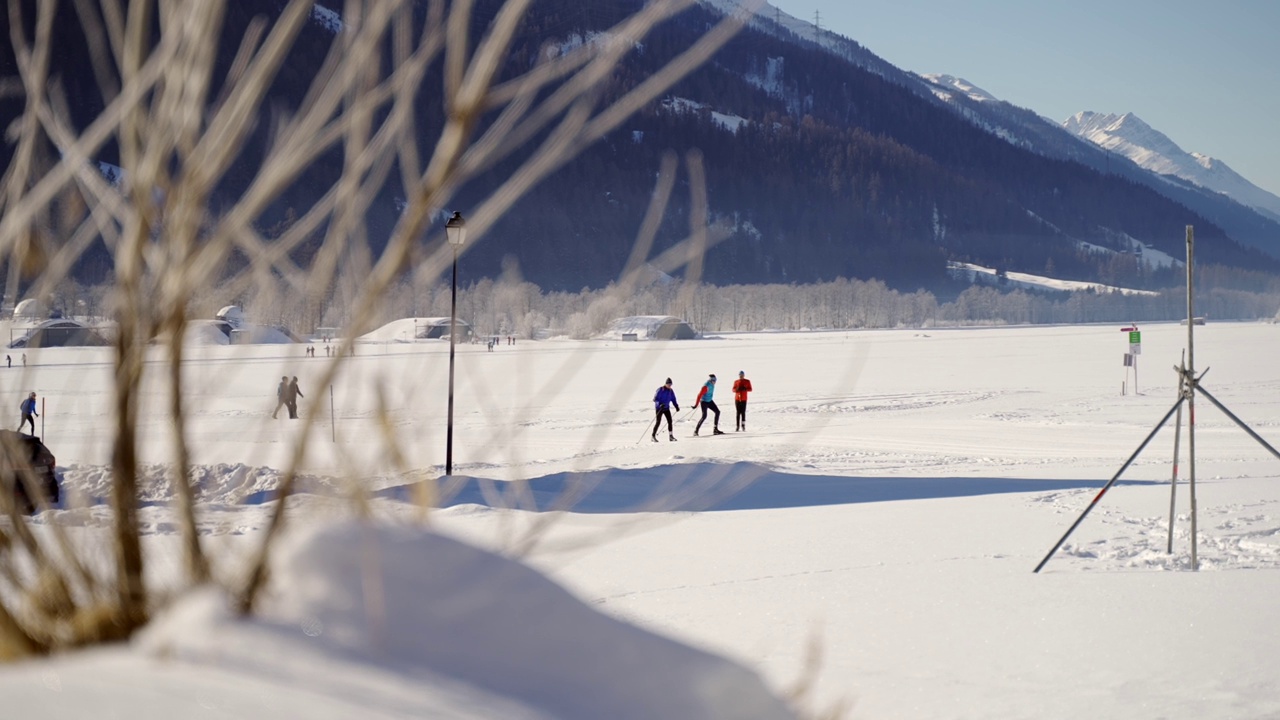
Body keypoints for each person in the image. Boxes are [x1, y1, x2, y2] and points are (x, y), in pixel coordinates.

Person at [652, 377, 680, 442]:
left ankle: (671, 436)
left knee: (670, 421)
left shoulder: (671, 391)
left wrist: (676, 406)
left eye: (671, 384)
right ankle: (653, 436)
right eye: (669, 384)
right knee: (658, 422)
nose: (670, 386)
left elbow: (673, 399)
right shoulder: (660, 390)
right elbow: (655, 399)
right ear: (666, 384)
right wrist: (660, 404)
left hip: (666, 408)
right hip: (659, 408)